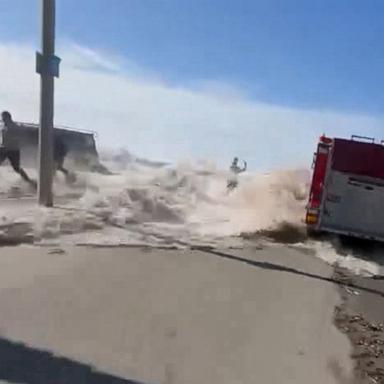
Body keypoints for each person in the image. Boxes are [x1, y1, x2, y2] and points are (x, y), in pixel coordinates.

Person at [0, 111, 37, 188]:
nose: (2, 119)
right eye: (2, 118)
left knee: (16, 168)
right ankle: (30, 182)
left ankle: (30, 182)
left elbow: (18, 137)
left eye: (3, 118)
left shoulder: (14, 126)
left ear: (8, 118)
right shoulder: (4, 126)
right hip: (4, 149)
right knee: (16, 168)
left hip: (13, 150)